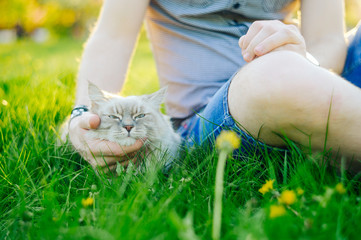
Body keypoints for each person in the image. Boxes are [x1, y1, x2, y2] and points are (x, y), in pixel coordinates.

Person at [67, 0, 361, 173]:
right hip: (206, 119)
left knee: (281, 70)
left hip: (303, 71)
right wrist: (83, 115)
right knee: (274, 75)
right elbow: (112, 37)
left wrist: (303, 62)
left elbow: (326, 39)